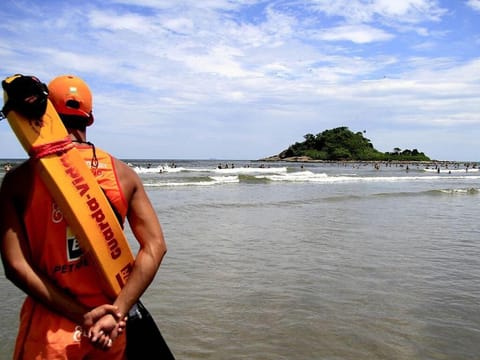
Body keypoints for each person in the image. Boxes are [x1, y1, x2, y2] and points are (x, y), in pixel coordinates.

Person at [0, 75, 167, 359]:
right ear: (89, 119)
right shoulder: (123, 174)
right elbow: (155, 247)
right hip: (109, 329)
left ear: (46, 111)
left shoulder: (18, 180)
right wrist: (118, 311)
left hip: (50, 334)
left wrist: (83, 316)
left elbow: (16, 266)